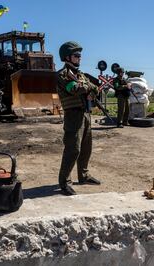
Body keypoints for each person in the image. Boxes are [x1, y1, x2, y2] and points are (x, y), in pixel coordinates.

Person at [56, 41, 101, 196]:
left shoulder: (79, 74)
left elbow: (94, 88)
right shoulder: (61, 75)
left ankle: (84, 175)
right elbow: (75, 89)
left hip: (85, 114)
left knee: (86, 148)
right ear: (67, 57)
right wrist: (86, 87)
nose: (79, 58)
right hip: (73, 115)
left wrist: (89, 89)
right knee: (73, 149)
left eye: (80, 55)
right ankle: (64, 182)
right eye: (76, 55)